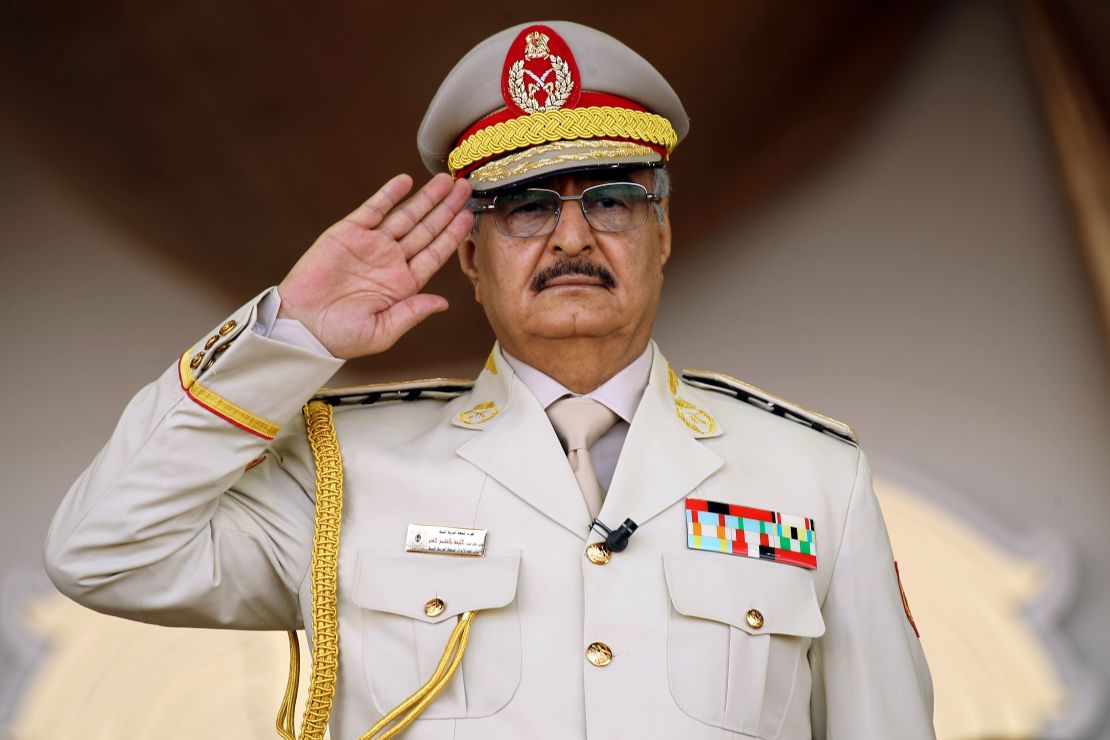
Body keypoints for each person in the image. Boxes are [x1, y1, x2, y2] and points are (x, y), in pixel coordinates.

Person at [45, 20, 934, 740]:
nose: (574, 239)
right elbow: (104, 552)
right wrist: (290, 338)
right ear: (470, 255)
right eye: (527, 206)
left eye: (614, 199)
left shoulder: (812, 476)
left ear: (662, 236)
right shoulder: (342, 471)